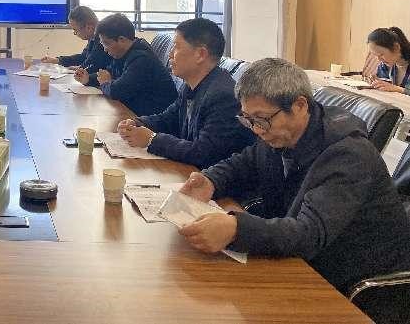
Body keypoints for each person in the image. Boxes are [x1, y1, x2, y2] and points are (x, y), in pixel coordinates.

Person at [176, 57, 410, 314]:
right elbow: (246, 162)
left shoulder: (347, 154)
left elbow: (308, 233)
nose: (256, 129)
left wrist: (236, 229)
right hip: (307, 263)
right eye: (248, 119)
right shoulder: (280, 131)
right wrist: (211, 179)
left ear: (299, 105)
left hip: (350, 282)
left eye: (261, 119)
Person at [116, 18, 254, 168]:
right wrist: (138, 123)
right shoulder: (191, 85)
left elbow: (203, 153)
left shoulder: (223, 96)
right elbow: (168, 119)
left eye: (176, 47)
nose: (170, 54)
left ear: (200, 54)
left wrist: (152, 139)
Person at [74, 13, 177, 116]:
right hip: (136, 111)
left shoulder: (141, 59)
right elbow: (109, 73)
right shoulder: (123, 53)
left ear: (121, 40)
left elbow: (118, 92)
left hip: (154, 117)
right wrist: (88, 79)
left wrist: (105, 83)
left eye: (107, 43)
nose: (105, 49)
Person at [41, 5, 111, 73]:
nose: (75, 33)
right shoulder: (93, 37)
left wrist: (81, 69)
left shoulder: (104, 39)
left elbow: (94, 63)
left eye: (75, 30)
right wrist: (57, 60)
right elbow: (84, 57)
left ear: (88, 27)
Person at [367, 26, 410, 95]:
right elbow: (385, 85)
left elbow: (393, 88)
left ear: (396, 47)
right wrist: (376, 82)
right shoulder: (384, 66)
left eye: (381, 54)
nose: (379, 59)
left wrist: (398, 89)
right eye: (375, 55)